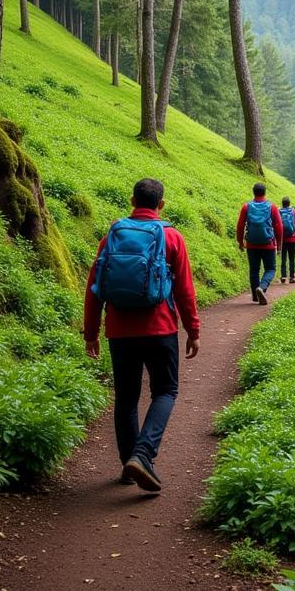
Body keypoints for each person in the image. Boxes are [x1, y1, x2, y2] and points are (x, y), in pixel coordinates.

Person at [83, 178, 200, 493]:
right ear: (161, 205)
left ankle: (127, 465)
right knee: (165, 391)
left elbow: (93, 290)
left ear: (132, 200)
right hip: (161, 329)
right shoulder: (172, 237)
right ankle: (143, 454)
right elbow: (185, 291)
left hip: (119, 331)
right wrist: (193, 330)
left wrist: (91, 333)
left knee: (126, 397)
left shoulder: (113, 236)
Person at [236, 182, 283, 305]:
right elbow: (279, 226)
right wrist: (279, 244)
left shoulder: (246, 207)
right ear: (265, 192)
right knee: (271, 269)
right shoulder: (271, 207)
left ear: (254, 192)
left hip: (251, 244)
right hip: (268, 244)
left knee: (254, 270)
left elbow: (240, 226)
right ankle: (261, 288)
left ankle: (255, 296)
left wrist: (241, 242)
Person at [279, 196, 295, 284]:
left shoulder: (279, 212)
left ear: (282, 204)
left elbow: (276, 224)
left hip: (283, 239)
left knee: (283, 258)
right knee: (292, 259)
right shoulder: (293, 212)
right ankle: (291, 277)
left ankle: (283, 276)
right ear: (289, 203)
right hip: (293, 239)